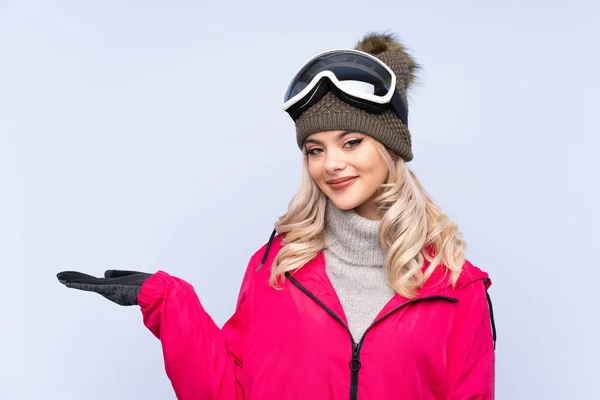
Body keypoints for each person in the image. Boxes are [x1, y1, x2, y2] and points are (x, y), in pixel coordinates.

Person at [57, 32, 496, 400]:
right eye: (315, 150)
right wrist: (171, 304)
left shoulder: (457, 287)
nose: (332, 164)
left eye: (351, 142)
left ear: (389, 148)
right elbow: (230, 391)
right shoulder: (278, 269)